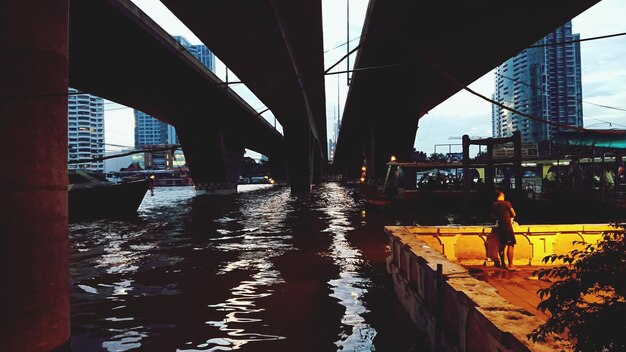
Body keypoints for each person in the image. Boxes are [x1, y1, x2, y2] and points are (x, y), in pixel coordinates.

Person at [493, 190, 517, 270]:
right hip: (507, 226)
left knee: (502, 245)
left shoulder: (495, 205)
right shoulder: (506, 203)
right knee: (511, 245)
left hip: (500, 226)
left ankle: (503, 263)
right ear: (501, 196)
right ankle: (511, 265)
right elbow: (513, 213)